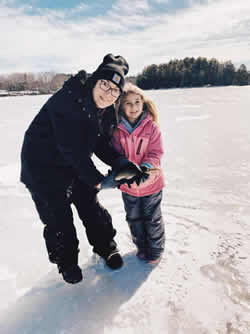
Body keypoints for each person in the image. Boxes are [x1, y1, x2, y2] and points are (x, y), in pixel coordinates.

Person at [20, 54, 144, 284]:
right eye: (104, 84)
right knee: (58, 216)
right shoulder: (68, 100)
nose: (108, 93)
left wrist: (121, 163)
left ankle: (106, 247)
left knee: (89, 204)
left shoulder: (106, 111)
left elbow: (99, 143)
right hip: (41, 166)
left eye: (115, 90)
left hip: (73, 163)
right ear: (95, 80)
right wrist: (98, 180)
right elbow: (71, 149)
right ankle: (67, 262)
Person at [112, 83, 165, 264]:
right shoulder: (117, 130)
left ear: (143, 103)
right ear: (120, 105)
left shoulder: (151, 127)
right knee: (134, 218)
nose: (133, 107)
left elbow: (156, 152)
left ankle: (156, 252)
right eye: (128, 103)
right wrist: (122, 172)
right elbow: (116, 155)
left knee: (152, 219)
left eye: (137, 102)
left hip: (152, 184)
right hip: (129, 187)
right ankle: (142, 247)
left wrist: (146, 168)